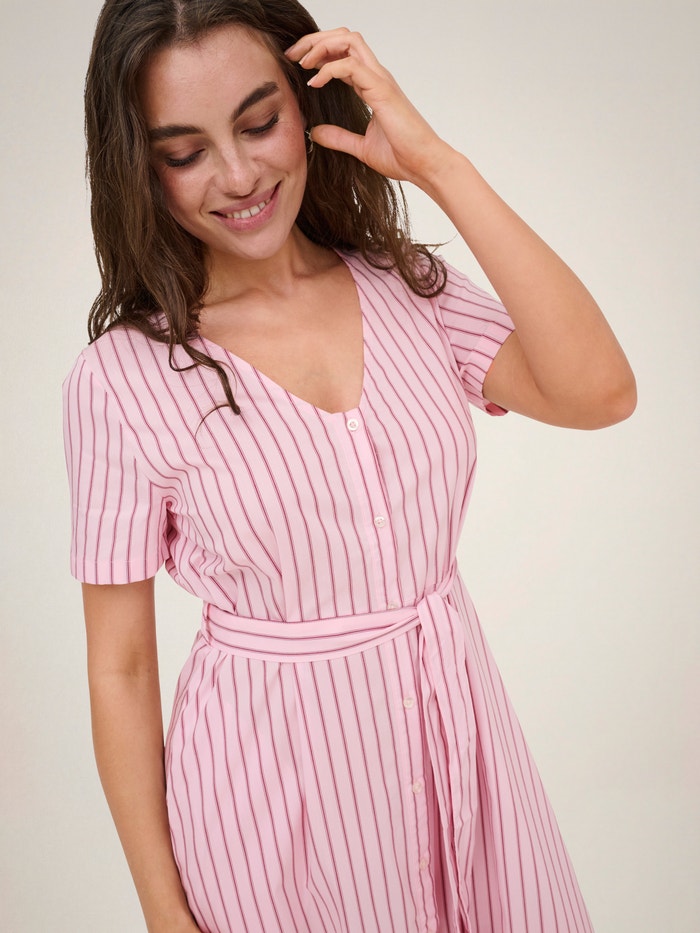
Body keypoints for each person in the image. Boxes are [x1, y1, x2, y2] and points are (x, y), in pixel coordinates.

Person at [63, 0, 636, 931]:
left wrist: (438, 165)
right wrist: (163, 911)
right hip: (268, 812)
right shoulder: (123, 379)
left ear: (306, 103)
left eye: (259, 122)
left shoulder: (409, 287)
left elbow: (599, 391)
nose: (239, 175)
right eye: (186, 151)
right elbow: (120, 668)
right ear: (140, 168)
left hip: (463, 759)